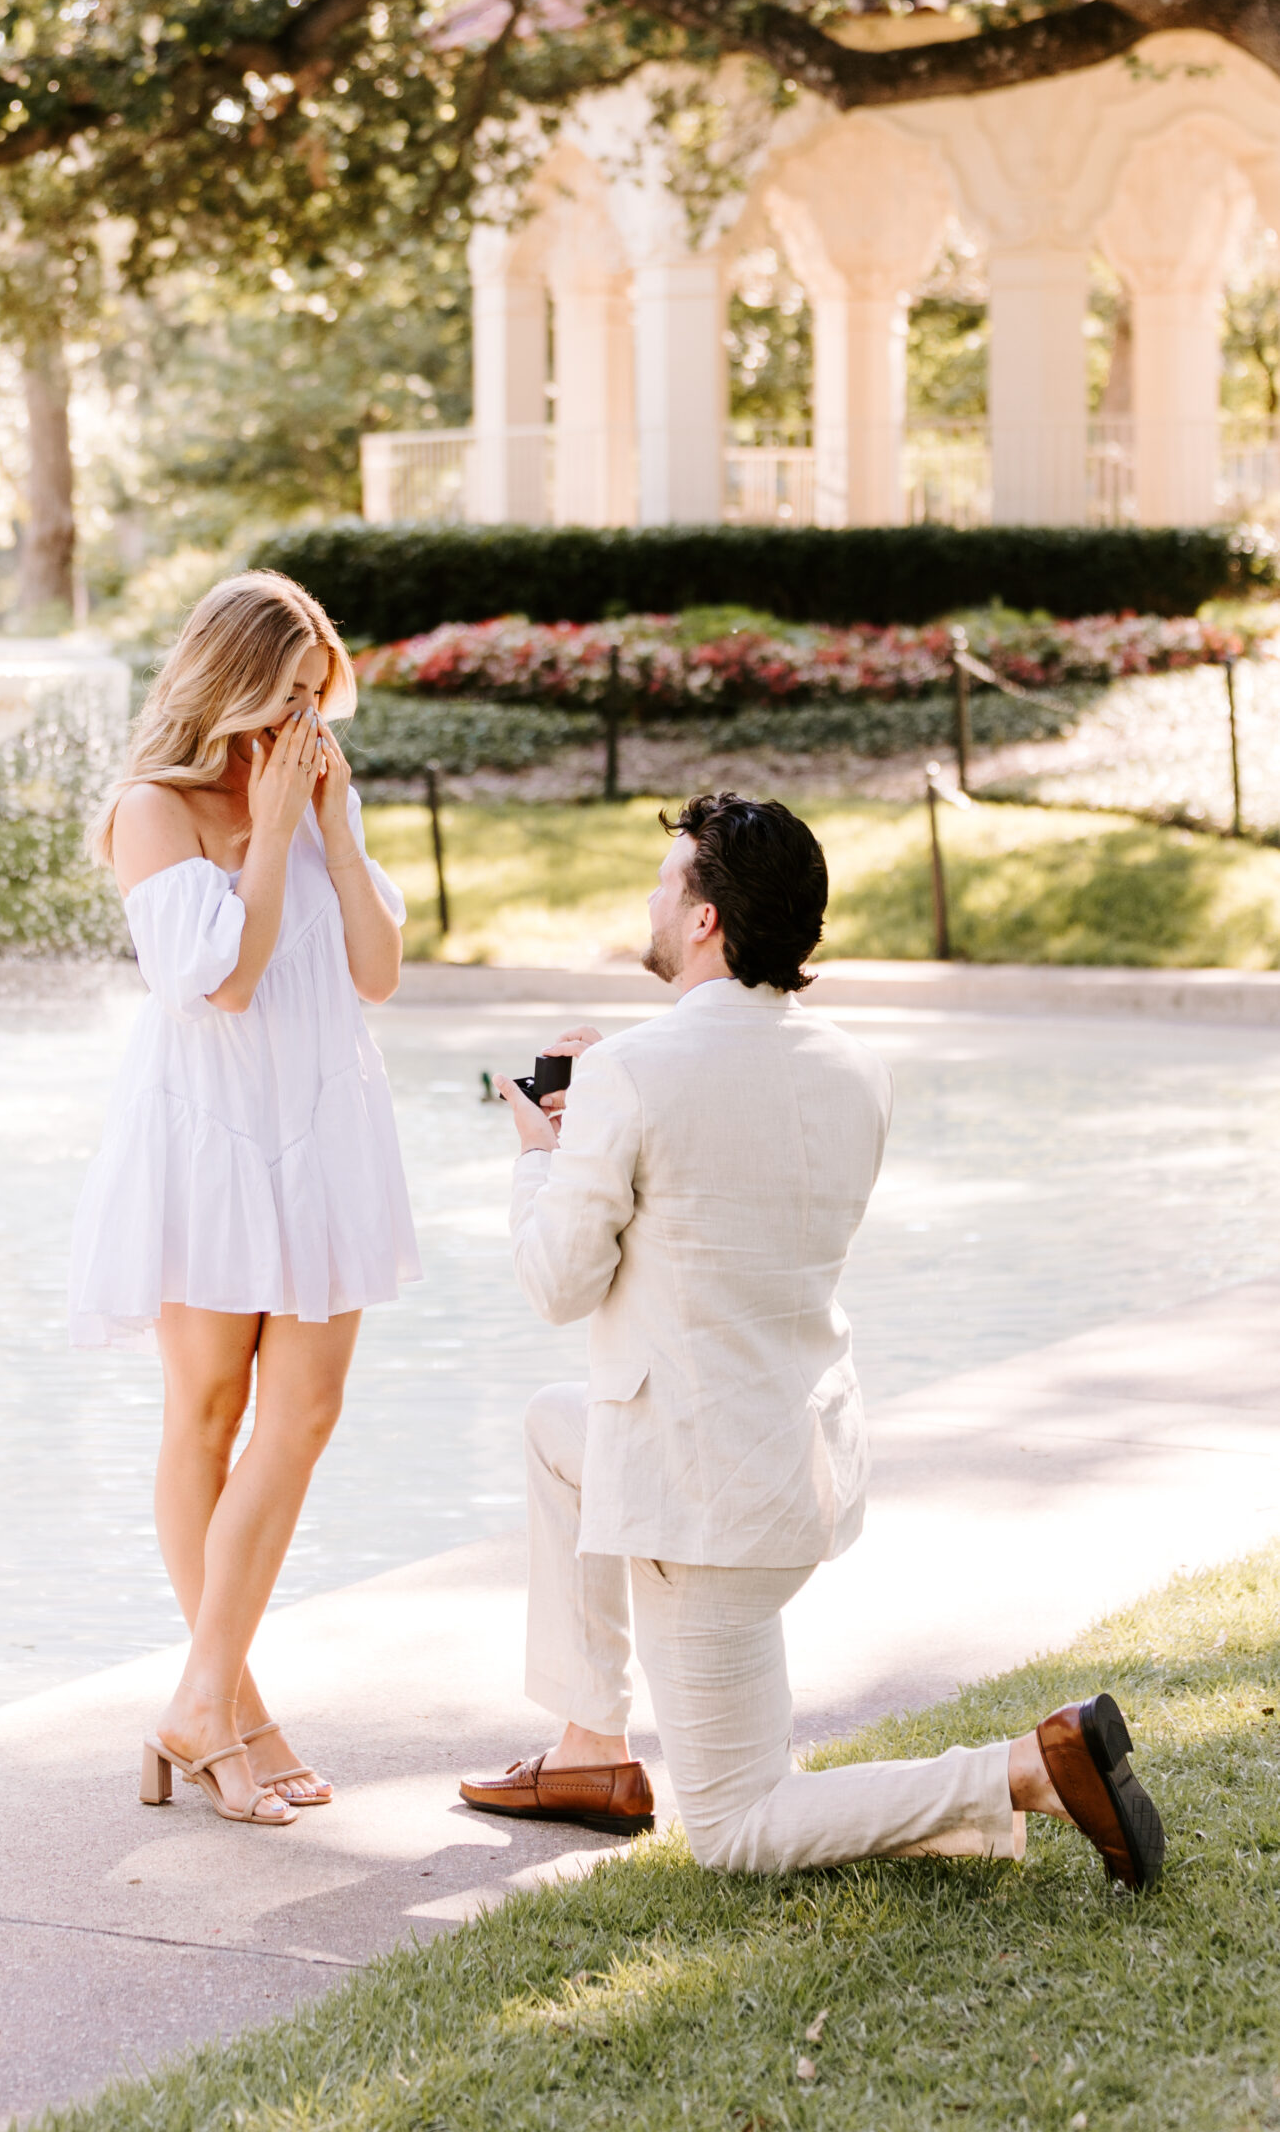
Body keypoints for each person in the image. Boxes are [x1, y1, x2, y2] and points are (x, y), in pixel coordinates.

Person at [460, 791, 1164, 1891]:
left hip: (699, 1505)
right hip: (797, 1468)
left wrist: (538, 1156)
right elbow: (726, 1199)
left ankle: (1022, 1769)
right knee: (557, 1427)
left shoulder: (629, 1071)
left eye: (665, 883)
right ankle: (587, 1745)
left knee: (737, 1823)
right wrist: (602, 1102)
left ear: (703, 921)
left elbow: (558, 1283)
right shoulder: (852, 1067)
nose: (649, 900)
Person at [72, 571, 419, 1828]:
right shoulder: (150, 812)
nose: (303, 725)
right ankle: (235, 1712)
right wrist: (269, 834)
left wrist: (332, 828)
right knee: (207, 1414)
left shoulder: (324, 786)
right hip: (210, 1146)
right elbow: (220, 979)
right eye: (283, 698)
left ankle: (200, 1700)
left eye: (315, 701)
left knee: (307, 1413)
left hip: (322, 1134)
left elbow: (376, 972)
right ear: (227, 686)